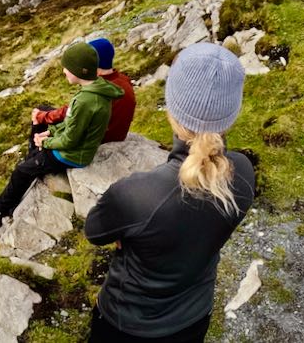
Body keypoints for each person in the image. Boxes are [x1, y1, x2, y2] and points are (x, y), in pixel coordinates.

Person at [83, 42, 255, 343]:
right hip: (194, 318)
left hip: (127, 324)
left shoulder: (136, 194)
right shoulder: (243, 172)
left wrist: (130, 234)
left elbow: (94, 232)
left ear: (172, 109)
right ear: (233, 114)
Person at [0, 42, 123, 229]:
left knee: (21, 171)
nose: (63, 72)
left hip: (72, 155)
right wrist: (50, 132)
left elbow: (70, 139)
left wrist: (46, 142)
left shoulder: (85, 101)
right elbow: (72, 124)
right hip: (77, 148)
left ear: (79, 71)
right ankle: (13, 194)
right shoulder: (94, 91)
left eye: (67, 68)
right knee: (30, 161)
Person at [31, 38, 136, 143]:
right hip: (116, 134)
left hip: (97, 140)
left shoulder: (98, 88)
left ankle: (37, 149)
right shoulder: (123, 80)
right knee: (46, 111)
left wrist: (42, 117)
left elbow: (72, 111)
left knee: (41, 114)